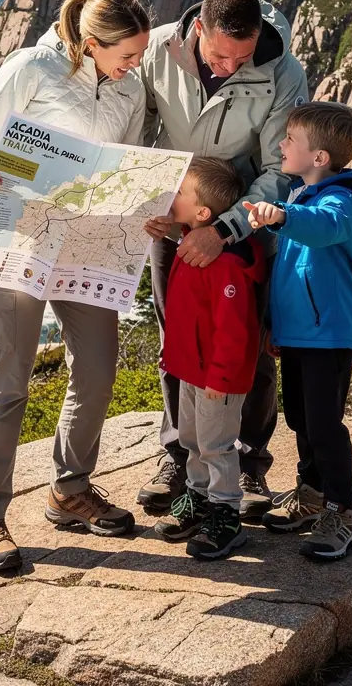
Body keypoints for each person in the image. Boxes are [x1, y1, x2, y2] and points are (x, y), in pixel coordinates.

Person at [0, 0, 151, 573]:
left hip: (89, 236)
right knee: (9, 376)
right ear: (92, 43)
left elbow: (129, 156)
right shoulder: (31, 66)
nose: (136, 65)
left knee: (96, 367)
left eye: (140, 55)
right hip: (21, 229)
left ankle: (70, 491)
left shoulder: (131, 89)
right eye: (128, 56)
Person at [138, 0, 308, 517]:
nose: (233, 66)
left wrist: (225, 229)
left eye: (243, 55)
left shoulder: (284, 71)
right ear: (196, 32)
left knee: (251, 347)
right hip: (172, 221)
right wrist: (147, 195)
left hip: (245, 227)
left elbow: (283, 169)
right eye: (219, 55)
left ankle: (250, 462)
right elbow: (133, 126)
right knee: (177, 340)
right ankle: (180, 456)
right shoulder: (156, 51)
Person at [244, 101, 352, 561]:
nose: (282, 145)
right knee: (301, 419)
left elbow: (323, 230)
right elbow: (289, 275)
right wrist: (275, 327)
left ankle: (342, 512)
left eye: (291, 140)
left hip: (329, 334)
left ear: (320, 157)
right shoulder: (304, 197)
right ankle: (310, 494)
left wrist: (282, 216)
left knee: (324, 424)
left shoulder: (339, 202)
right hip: (302, 333)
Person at [151, 157, 265, 559]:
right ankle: (198, 498)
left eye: (181, 190)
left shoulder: (225, 265)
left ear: (203, 213)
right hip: (189, 371)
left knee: (216, 444)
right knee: (192, 439)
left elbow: (234, 332)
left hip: (217, 378)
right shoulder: (189, 242)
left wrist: (219, 378)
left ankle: (226, 513)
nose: (173, 192)